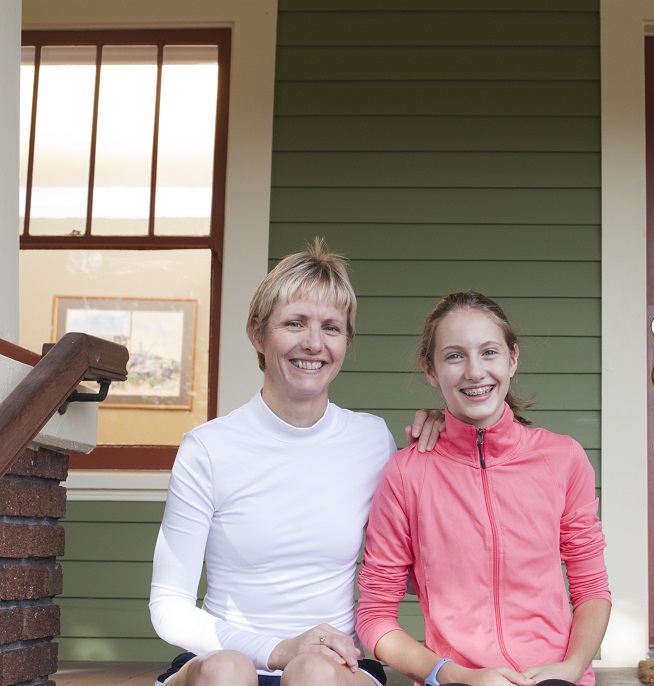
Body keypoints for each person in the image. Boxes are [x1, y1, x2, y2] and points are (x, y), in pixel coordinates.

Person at [149, 238, 443, 686]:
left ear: (346, 341)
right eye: (294, 323)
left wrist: (452, 436)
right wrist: (278, 648)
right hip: (226, 660)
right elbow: (168, 606)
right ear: (257, 334)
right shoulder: (208, 448)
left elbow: (406, 573)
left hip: (337, 665)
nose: (313, 343)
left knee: (312, 673)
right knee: (229, 669)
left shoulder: (371, 440)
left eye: (331, 327)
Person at [356, 291, 611, 686]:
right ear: (430, 369)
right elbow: (375, 617)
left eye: (489, 352)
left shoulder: (562, 458)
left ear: (512, 358)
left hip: (555, 678)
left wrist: (573, 668)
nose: (475, 372)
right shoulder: (406, 475)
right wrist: (455, 675)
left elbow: (591, 586)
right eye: (455, 356)